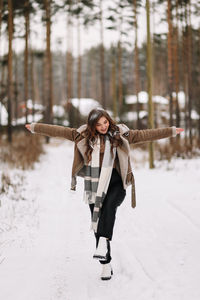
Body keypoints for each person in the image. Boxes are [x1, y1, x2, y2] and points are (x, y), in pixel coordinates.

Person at [25, 108, 184, 281]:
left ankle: (103, 241)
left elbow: (147, 134)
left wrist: (171, 131)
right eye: (99, 124)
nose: (103, 126)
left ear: (109, 121)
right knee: (98, 220)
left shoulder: (121, 134)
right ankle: (105, 264)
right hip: (94, 184)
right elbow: (58, 130)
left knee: (109, 208)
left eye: (105, 122)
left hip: (116, 183)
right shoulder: (82, 136)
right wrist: (35, 127)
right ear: (92, 125)